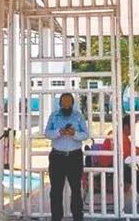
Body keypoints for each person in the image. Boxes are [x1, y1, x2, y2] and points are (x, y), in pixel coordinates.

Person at [99, 116, 139, 212]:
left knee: (135, 173)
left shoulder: (122, 135)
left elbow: (131, 149)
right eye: (132, 127)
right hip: (109, 168)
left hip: (115, 165)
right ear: (126, 126)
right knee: (134, 174)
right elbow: (127, 152)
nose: (133, 130)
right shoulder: (118, 135)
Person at [44, 93, 89, 221]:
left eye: (68, 102)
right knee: (56, 191)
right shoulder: (54, 116)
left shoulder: (78, 116)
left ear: (72, 103)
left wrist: (74, 133)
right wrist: (59, 132)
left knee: (76, 189)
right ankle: (56, 217)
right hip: (57, 157)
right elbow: (47, 133)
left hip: (74, 157)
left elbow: (86, 134)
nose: (66, 105)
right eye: (64, 102)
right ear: (60, 104)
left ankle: (78, 217)